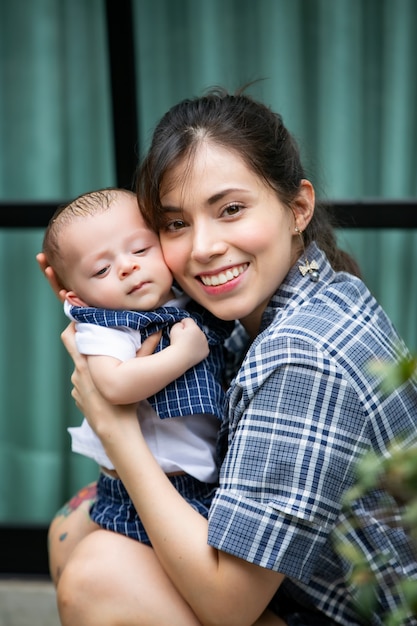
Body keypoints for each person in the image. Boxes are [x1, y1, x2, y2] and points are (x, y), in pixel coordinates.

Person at [37, 87, 417, 626]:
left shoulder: (302, 356)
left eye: (231, 210)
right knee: (72, 524)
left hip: (350, 614)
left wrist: (114, 427)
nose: (203, 247)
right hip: (297, 587)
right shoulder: (298, 295)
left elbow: (228, 605)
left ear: (297, 207)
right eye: (175, 224)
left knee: (99, 576)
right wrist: (100, 300)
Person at [42, 187, 233, 582]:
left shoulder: (181, 301)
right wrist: (182, 355)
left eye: (141, 250)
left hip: (197, 486)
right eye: (101, 270)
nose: (127, 267)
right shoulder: (109, 325)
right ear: (78, 298)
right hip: (147, 495)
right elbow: (112, 385)